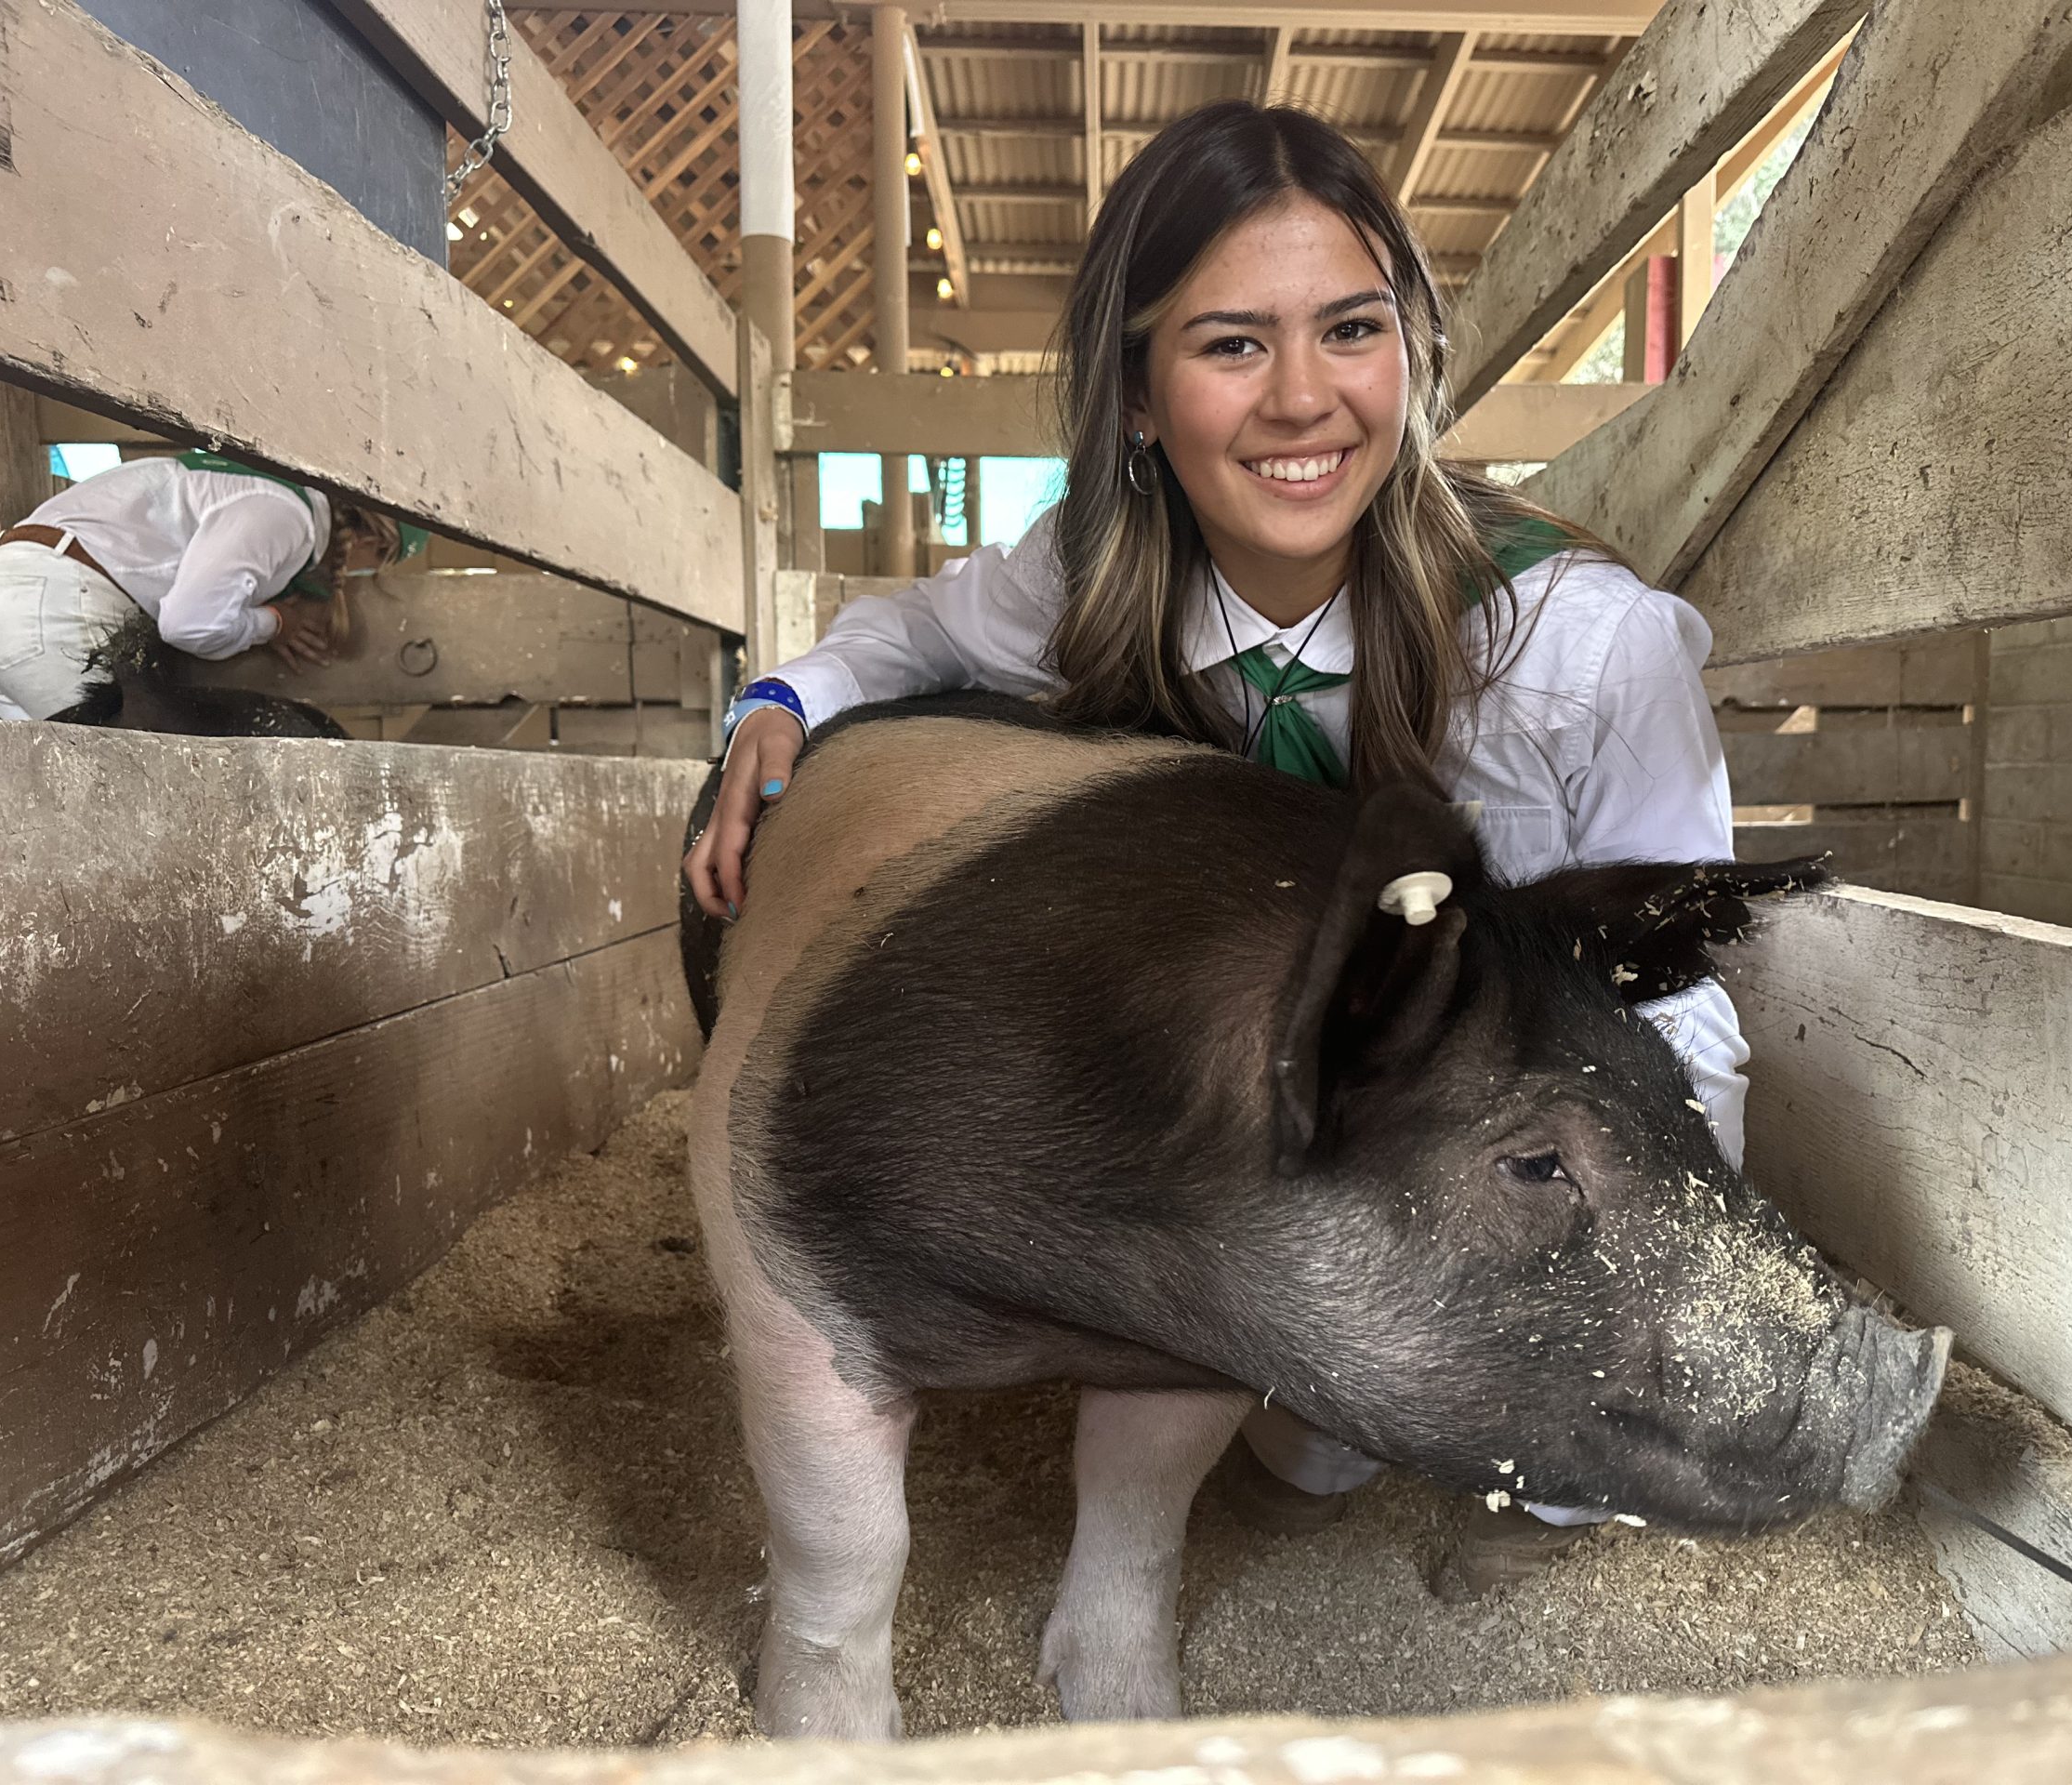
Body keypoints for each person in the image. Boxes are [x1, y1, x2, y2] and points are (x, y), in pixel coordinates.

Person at [683, 100, 1746, 1598]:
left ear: (1415, 355)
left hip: (1509, 1128)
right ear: (1136, 395)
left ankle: (1540, 1494)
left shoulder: (1590, 644)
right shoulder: (1097, 576)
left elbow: (1676, 1004)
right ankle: (1314, 1436)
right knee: (1303, 1442)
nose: (1305, 399)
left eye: (1353, 330)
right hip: (1306, 1107)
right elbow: (910, 631)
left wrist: (1613, 1379)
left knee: (1411, 1406)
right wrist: (787, 697)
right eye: (1233, 343)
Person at [0, 449, 423, 721]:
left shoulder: (266, 493)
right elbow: (189, 624)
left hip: (30, 597)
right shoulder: (287, 515)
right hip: (54, 610)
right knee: (107, 789)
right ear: (374, 544)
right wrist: (273, 623)